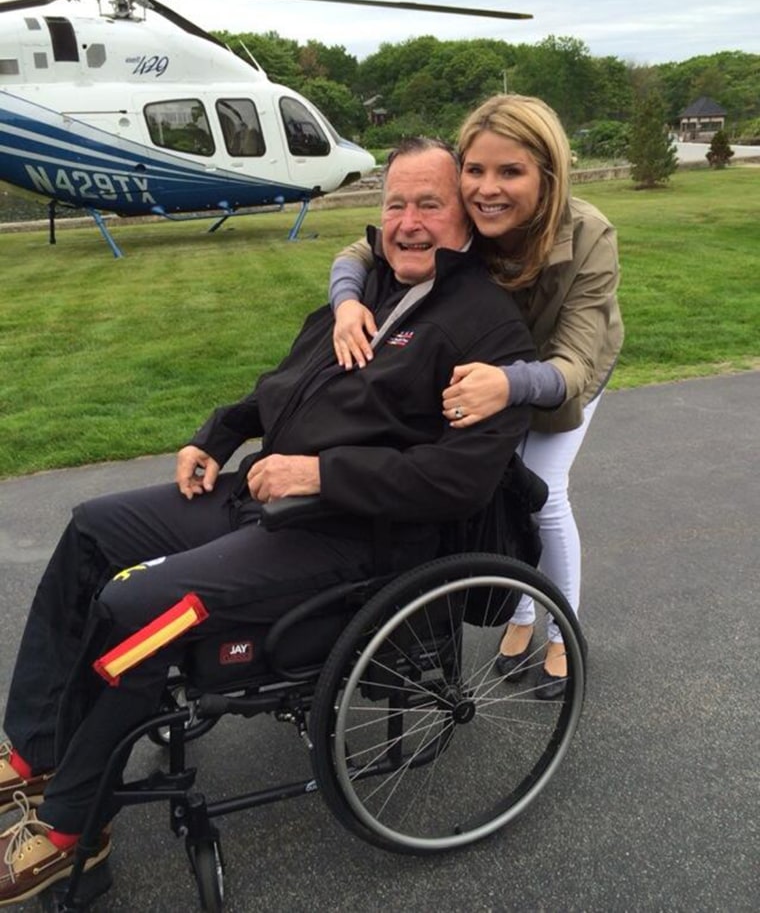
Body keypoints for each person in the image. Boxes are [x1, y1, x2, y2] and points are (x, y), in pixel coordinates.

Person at [0, 137, 536, 906]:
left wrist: (322, 473)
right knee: (92, 529)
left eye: (430, 204)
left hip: (349, 541)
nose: (409, 222)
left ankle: (70, 833)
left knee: (137, 608)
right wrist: (214, 436)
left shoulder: (486, 328)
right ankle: (40, 749)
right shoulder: (363, 297)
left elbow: (459, 479)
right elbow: (284, 390)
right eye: (395, 204)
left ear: (465, 218)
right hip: (260, 498)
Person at [328, 95, 623, 700]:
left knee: (542, 490)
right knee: (494, 489)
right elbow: (361, 249)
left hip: (565, 370)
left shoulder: (590, 234)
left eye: (510, 172)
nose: (488, 189)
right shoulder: (469, 213)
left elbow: (569, 366)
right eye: (476, 170)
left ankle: (565, 633)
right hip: (493, 367)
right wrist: (347, 302)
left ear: (548, 174)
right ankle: (519, 618)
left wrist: (510, 381)